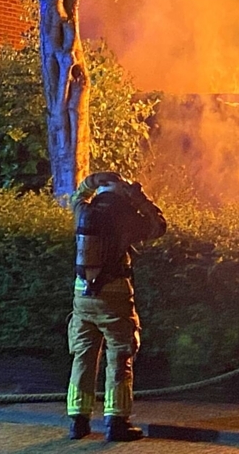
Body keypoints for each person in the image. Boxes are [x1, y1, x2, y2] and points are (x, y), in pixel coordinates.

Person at [66, 171, 167, 441]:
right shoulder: (124, 216)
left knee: (83, 355)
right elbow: (158, 226)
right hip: (114, 296)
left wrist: (91, 181)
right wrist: (140, 198)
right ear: (122, 194)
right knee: (120, 354)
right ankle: (117, 422)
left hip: (82, 296)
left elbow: (76, 196)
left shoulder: (84, 210)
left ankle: (78, 422)